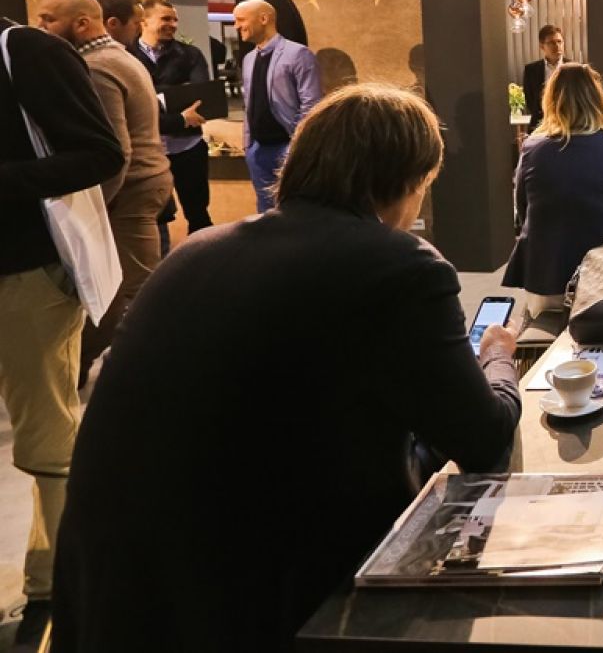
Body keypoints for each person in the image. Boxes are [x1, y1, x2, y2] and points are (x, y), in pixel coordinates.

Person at [51, 85, 521, 651]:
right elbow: (482, 438)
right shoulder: (401, 266)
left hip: (113, 595)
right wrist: (497, 356)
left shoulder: (195, 252)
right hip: (254, 601)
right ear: (407, 180)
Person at [0, 13, 123, 643]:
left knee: (46, 436)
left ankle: (56, 587)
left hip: (25, 271)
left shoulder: (24, 50)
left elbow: (102, 152)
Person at [35, 0, 173, 384]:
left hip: (129, 191)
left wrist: (94, 208)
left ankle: (78, 369)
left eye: (47, 19)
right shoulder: (119, 58)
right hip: (142, 185)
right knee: (127, 287)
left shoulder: (96, 68)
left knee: (123, 292)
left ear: (82, 23)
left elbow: (116, 152)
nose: (40, 28)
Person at [503, 64, 603, 302]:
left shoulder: (532, 150)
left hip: (545, 273)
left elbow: (523, 212)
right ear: (597, 101)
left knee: (542, 325)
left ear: (550, 102)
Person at [134, 0, 214, 249]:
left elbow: (201, 99)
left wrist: (153, 98)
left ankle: (202, 261)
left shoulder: (191, 55)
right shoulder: (126, 55)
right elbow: (131, 107)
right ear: (144, 21)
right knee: (154, 217)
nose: (173, 24)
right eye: (166, 18)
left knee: (198, 214)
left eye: (175, 19)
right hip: (148, 150)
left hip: (188, 148)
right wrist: (176, 105)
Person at [235, 0, 323, 213]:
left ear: (264, 19)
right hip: (257, 149)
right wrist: (248, 145)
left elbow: (311, 104)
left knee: (297, 208)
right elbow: (249, 103)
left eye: (241, 20)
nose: (236, 26)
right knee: (266, 210)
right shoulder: (248, 59)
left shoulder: (298, 54)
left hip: (288, 146)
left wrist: (297, 146)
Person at [519, 23, 564, 128]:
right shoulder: (531, 70)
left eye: (559, 41)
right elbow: (530, 99)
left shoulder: (574, 67)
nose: (557, 46)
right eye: (551, 42)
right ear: (542, 46)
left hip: (567, 124)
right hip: (540, 125)